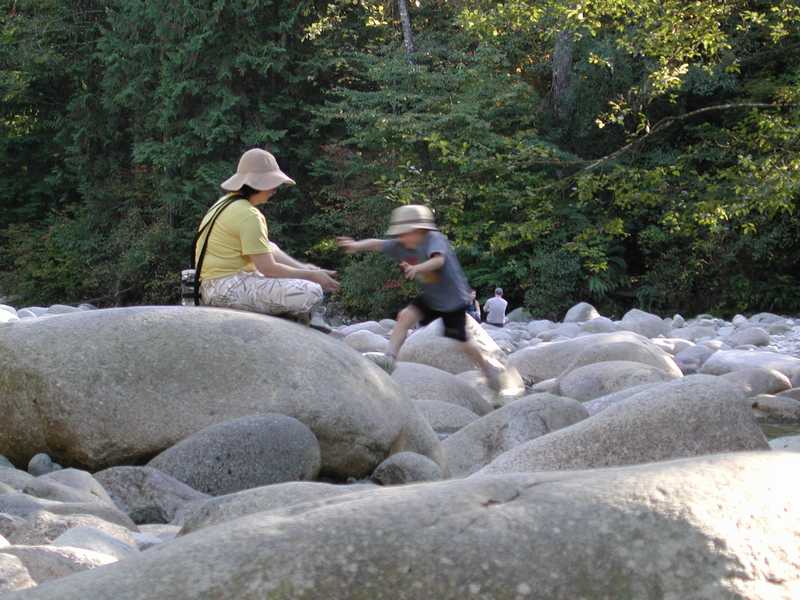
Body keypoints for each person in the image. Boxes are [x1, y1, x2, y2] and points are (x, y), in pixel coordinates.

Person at [336, 205, 507, 390]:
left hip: (452, 299)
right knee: (405, 316)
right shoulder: (401, 245)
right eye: (399, 234)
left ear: (420, 230)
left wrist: (416, 268)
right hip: (431, 297)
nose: (400, 238)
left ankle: (487, 369)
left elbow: (438, 260)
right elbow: (376, 244)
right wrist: (355, 246)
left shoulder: (434, 238)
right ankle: (389, 358)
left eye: (404, 233)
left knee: (462, 341)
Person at [195, 148, 338, 326]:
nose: (274, 190)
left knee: (277, 254)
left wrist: (305, 268)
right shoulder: (249, 215)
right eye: (273, 185)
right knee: (312, 291)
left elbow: (268, 249)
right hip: (225, 289)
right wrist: (312, 276)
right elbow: (268, 269)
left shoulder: (225, 203)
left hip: (210, 285)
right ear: (259, 185)